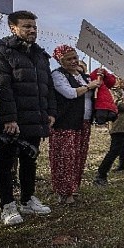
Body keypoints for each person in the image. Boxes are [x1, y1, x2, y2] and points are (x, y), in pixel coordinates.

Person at [0, 10, 56, 226]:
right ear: (13, 28)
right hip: (13, 120)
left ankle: (28, 199)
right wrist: (8, 118)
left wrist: (50, 112)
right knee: (6, 162)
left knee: (30, 159)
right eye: (27, 26)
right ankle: (7, 205)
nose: (32, 31)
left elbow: (48, 87)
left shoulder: (40, 55)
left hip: (35, 118)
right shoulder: (2, 51)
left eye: (34, 27)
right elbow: (1, 86)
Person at [50, 45, 101, 204]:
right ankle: (64, 192)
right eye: (69, 59)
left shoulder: (82, 76)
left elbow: (94, 94)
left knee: (79, 157)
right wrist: (89, 86)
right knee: (65, 158)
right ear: (60, 61)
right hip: (66, 123)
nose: (73, 61)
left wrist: (97, 80)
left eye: (75, 57)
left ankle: (73, 188)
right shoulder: (58, 75)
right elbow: (70, 93)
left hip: (83, 122)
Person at [94, 77, 124, 185]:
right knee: (115, 150)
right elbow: (117, 105)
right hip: (119, 125)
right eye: (121, 79)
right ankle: (101, 174)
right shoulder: (111, 91)